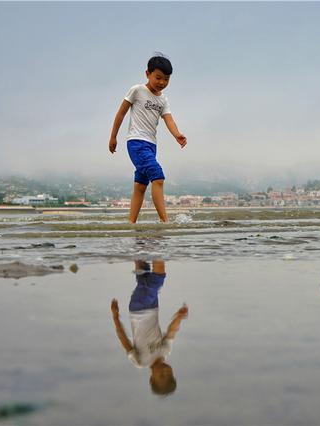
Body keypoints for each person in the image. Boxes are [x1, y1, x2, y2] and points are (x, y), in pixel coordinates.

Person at [109, 54, 187, 223]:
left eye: (166, 79)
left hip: (151, 145)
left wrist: (177, 134)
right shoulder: (137, 90)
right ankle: (165, 222)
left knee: (140, 186)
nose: (162, 82)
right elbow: (121, 113)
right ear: (147, 74)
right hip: (136, 142)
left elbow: (169, 119)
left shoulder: (163, 99)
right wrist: (113, 137)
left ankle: (131, 224)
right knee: (158, 177)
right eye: (158, 77)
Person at [111, 260, 188, 396]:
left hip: (138, 309)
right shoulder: (165, 351)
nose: (166, 372)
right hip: (153, 306)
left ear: (151, 378)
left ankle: (156, 245)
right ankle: (140, 242)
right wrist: (179, 317)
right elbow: (172, 331)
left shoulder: (141, 361)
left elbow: (124, 340)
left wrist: (116, 317)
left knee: (158, 278)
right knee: (143, 274)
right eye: (170, 375)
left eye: (162, 377)